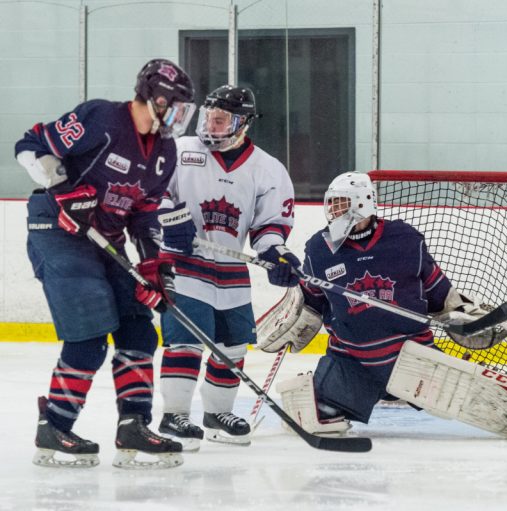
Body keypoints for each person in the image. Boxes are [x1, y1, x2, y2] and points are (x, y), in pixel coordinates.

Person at [257, 172, 507, 441]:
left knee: (480, 401)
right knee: (310, 417)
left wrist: (466, 315)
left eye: (340, 203)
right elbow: (311, 299)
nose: (332, 211)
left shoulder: (403, 239)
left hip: (411, 355)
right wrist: (291, 307)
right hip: (352, 361)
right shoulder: (318, 249)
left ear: (362, 203)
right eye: (331, 203)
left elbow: (437, 292)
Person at [15, 58, 196, 469]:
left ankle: (133, 424)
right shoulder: (102, 117)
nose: (182, 116)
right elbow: (30, 145)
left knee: (137, 325)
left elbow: (146, 211)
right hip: (57, 229)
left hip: (105, 238)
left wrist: (153, 266)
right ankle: (55, 426)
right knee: (90, 330)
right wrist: (60, 186)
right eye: (178, 105)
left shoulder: (165, 151)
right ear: (157, 98)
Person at [155, 85, 300, 450]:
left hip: (232, 272)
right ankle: (175, 417)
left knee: (232, 347)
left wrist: (276, 255)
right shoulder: (180, 150)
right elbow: (153, 191)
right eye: (210, 116)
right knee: (185, 342)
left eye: (222, 119)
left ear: (243, 124)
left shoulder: (268, 168)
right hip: (183, 265)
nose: (212, 125)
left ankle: (217, 413)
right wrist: (170, 218)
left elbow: (268, 227)